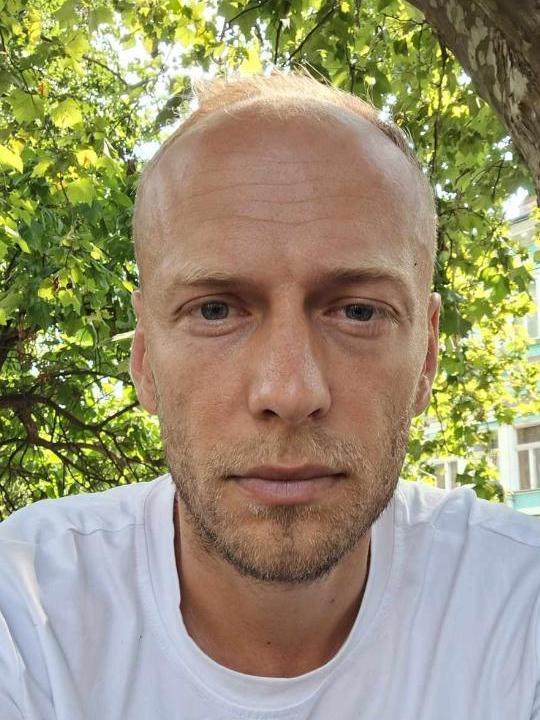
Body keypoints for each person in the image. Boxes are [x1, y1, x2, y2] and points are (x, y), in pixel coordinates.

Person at [0, 72, 539, 720]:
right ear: (145, 361)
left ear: (426, 357)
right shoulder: (27, 612)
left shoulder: (520, 608)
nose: (290, 391)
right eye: (216, 310)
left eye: (359, 312)